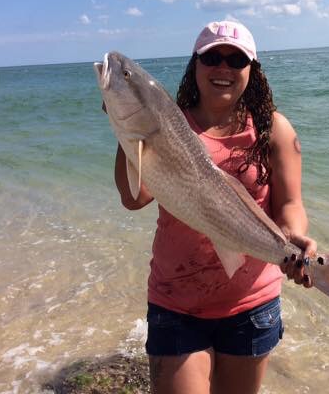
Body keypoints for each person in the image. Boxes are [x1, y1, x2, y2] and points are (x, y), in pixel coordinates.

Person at [114, 20, 317, 394]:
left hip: (252, 303)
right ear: (195, 65)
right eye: (212, 57)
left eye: (236, 59)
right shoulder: (170, 124)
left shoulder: (274, 130)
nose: (223, 68)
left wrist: (293, 239)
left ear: (251, 71)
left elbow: (290, 204)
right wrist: (128, 130)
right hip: (175, 302)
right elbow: (134, 198)